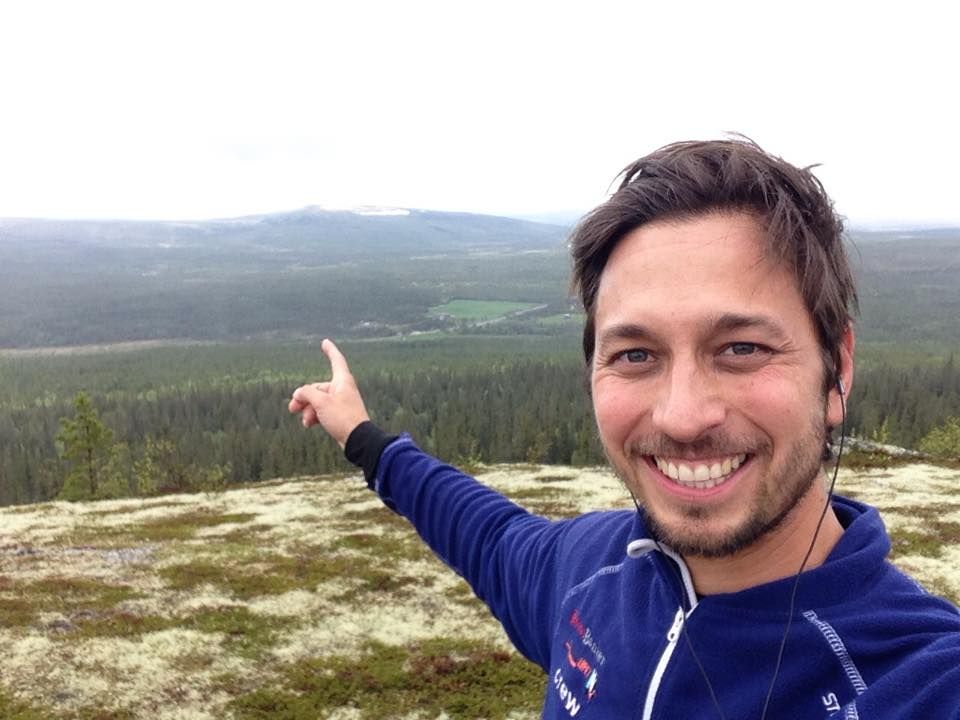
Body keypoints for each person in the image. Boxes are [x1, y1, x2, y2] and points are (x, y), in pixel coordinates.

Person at [288, 139, 960, 719]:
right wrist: (359, 432)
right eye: (636, 355)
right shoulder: (592, 570)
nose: (682, 416)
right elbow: (480, 532)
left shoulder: (918, 678)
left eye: (742, 348)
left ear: (837, 368)